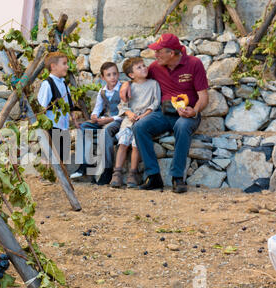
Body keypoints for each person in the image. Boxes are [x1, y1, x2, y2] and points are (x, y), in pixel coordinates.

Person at [119, 33, 209, 193]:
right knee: (139, 127)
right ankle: (153, 176)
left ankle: (177, 178)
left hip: (187, 114)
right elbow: (138, 77)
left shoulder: (194, 64)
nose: (155, 55)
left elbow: (203, 97)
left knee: (182, 126)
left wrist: (194, 111)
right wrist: (125, 83)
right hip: (163, 113)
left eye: (159, 52)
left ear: (172, 53)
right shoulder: (155, 67)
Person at [110, 57, 161, 188]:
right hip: (129, 121)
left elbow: (156, 103)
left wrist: (145, 115)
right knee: (123, 143)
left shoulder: (153, 84)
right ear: (131, 75)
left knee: (136, 145)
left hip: (144, 119)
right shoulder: (129, 86)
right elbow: (123, 105)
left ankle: (133, 173)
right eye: (139, 67)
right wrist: (129, 113)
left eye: (144, 65)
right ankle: (117, 172)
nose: (144, 68)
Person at [70, 61, 123, 182]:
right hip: (104, 120)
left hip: (118, 120)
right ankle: (85, 163)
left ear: (118, 74)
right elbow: (97, 108)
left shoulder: (123, 88)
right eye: (109, 75)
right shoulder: (102, 91)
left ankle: (107, 169)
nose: (112, 77)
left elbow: (125, 112)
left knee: (105, 132)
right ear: (103, 78)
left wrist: (108, 119)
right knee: (83, 126)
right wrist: (94, 116)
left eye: (114, 74)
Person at [37, 51, 79, 163]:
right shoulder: (47, 84)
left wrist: (74, 119)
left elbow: (68, 103)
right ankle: (46, 175)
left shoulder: (63, 83)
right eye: (64, 63)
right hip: (52, 125)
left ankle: (60, 177)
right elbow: (42, 107)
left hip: (63, 125)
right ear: (53, 66)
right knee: (50, 154)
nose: (67, 66)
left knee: (62, 156)